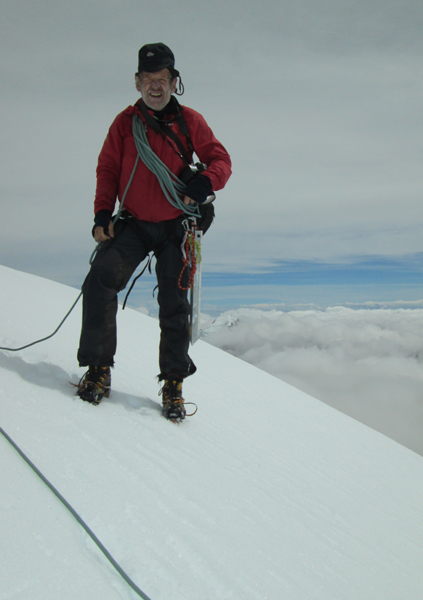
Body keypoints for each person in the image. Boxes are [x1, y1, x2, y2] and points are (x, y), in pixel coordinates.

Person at [75, 43, 232, 421]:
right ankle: (98, 370)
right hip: (135, 222)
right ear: (137, 82)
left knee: (175, 304)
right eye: (148, 80)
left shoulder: (190, 121)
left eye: (162, 79)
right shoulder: (125, 124)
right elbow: (108, 169)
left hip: (177, 225)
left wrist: (207, 181)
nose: (155, 87)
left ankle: (173, 383)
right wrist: (101, 214)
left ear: (174, 81)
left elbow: (221, 160)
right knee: (100, 279)